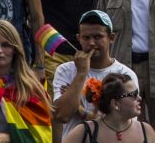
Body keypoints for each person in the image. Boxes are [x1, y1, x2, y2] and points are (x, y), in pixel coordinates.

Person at [53, 8, 139, 136]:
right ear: (78, 38)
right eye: (86, 38)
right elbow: (61, 115)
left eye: (98, 37)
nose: (91, 43)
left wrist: (81, 111)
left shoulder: (125, 74)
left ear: (111, 37)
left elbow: (126, 121)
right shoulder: (65, 70)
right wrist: (81, 73)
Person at [63, 72, 155, 143]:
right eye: (133, 94)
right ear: (115, 104)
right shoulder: (85, 131)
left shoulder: (146, 130)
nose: (139, 98)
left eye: (137, 93)